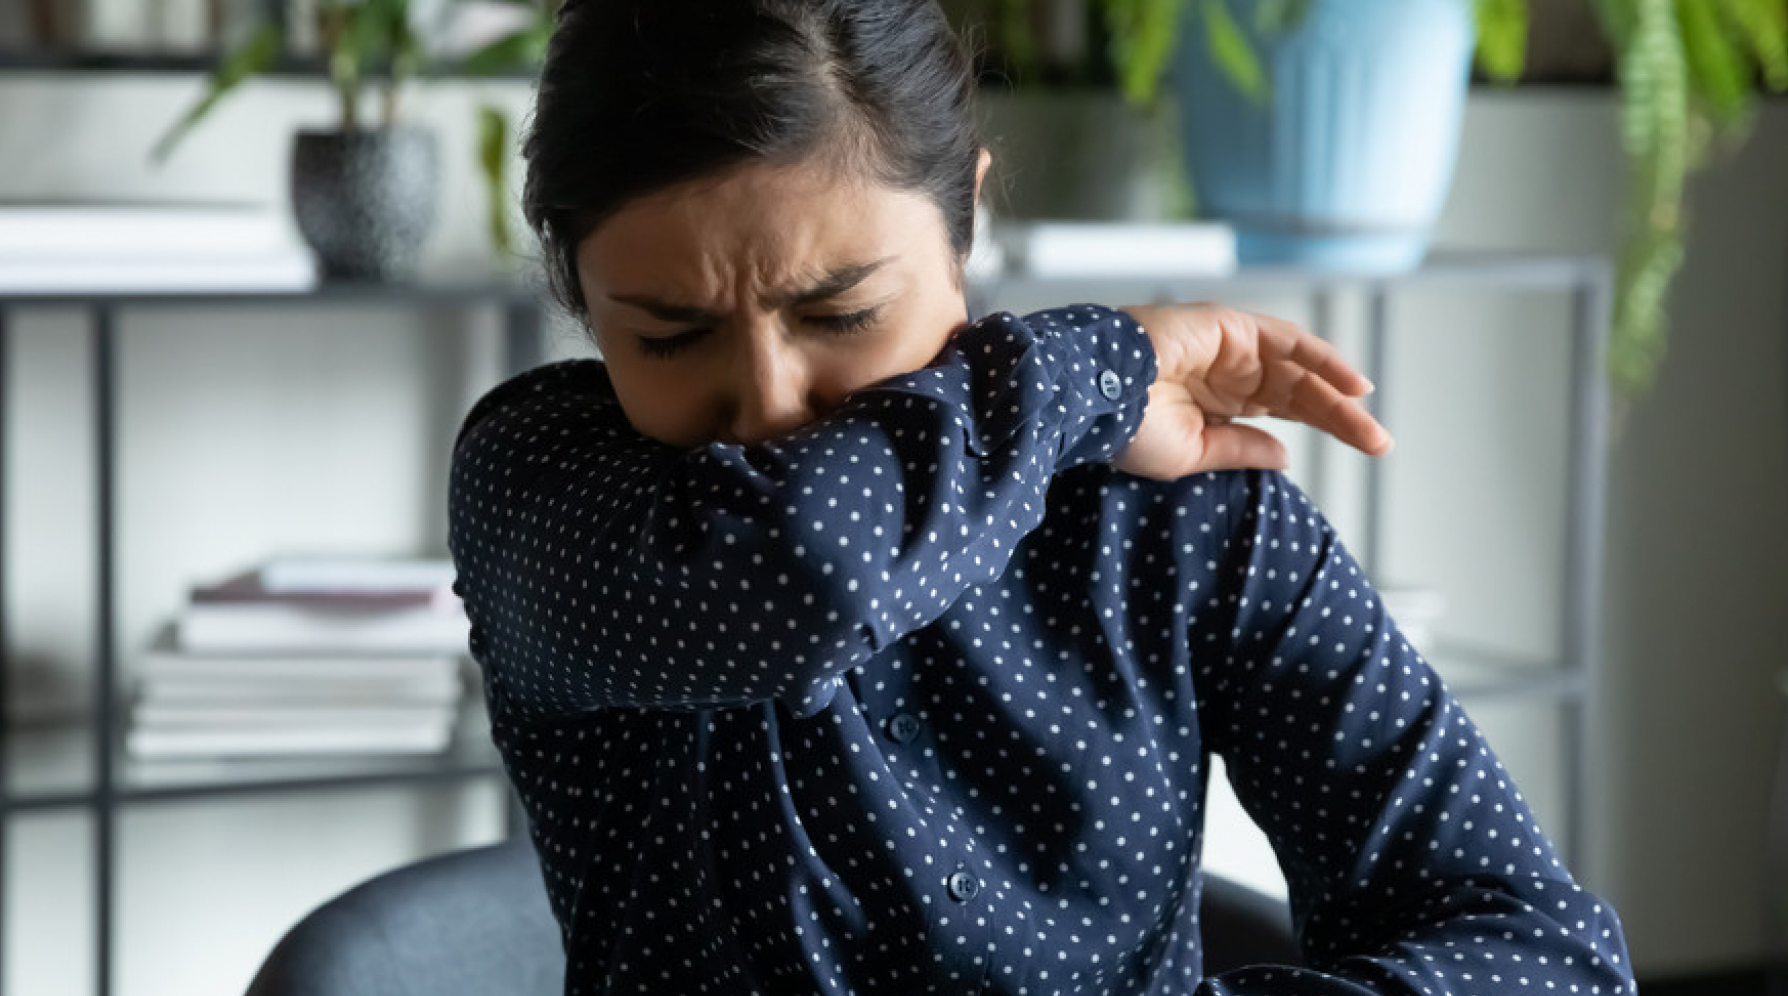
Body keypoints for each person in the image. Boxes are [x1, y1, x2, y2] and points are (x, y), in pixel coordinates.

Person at [446, 0, 1639, 992]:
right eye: (671, 336)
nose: (766, 405)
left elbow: (1543, 952)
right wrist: (1104, 359)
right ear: (578, 296)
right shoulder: (545, 481)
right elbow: (804, 575)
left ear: (968, 216)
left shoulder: (1174, 512)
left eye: (840, 314)